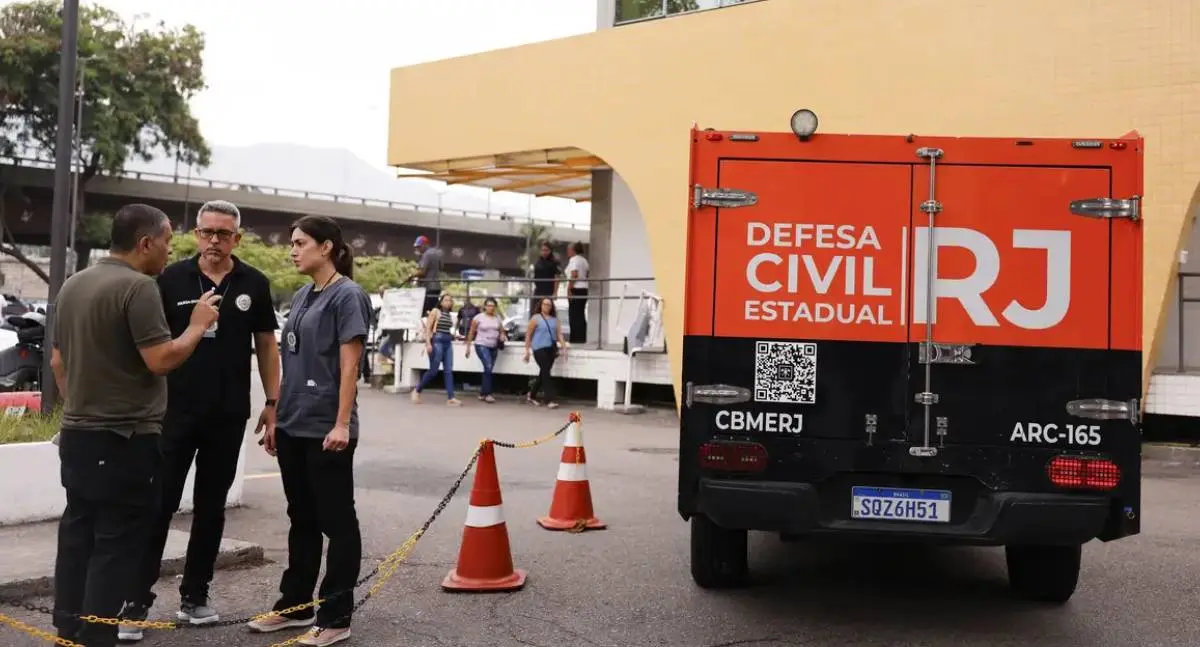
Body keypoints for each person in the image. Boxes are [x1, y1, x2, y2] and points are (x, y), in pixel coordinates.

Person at [49, 203, 220, 647]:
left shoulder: (73, 284)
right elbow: (161, 359)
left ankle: (67, 632)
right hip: (125, 438)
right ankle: (96, 638)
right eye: (166, 242)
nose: (169, 251)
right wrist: (197, 326)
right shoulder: (139, 287)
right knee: (116, 546)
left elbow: (57, 360)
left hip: (79, 435)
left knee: (78, 536)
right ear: (145, 243)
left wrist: (83, 406)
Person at [119, 200, 281, 641]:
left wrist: (272, 401)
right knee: (159, 505)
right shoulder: (168, 278)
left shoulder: (254, 283)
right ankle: (135, 601)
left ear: (237, 239)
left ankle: (196, 595)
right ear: (196, 234)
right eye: (207, 232)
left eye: (223, 234)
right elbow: (150, 344)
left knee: (211, 508)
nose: (214, 241)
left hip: (228, 415)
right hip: (172, 412)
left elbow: (267, 345)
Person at [247, 215, 371, 646]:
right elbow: (291, 360)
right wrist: (276, 413)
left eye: (300, 243)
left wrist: (341, 423)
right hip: (295, 423)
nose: (292, 250)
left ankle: (335, 617)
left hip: (327, 428)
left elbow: (349, 365)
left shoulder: (348, 295)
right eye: (292, 243)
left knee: (337, 522)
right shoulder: (302, 295)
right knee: (301, 518)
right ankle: (294, 607)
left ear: (327, 247)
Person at [411, 292, 462, 406]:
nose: (448, 302)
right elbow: (428, 329)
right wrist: (428, 344)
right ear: (441, 301)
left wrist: (453, 336)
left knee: (448, 370)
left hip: (447, 342)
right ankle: (417, 390)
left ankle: (451, 397)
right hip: (437, 341)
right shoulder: (435, 311)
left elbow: (445, 329)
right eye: (446, 300)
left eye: (450, 300)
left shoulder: (448, 314)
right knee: (433, 370)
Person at [524, 296, 566, 409]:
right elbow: (528, 335)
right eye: (545, 304)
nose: (547, 307)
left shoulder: (555, 320)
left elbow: (559, 335)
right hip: (538, 348)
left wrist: (564, 348)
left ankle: (531, 395)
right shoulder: (536, 318)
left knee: (544, 372)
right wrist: (527, 351)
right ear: (541, 305)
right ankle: (549, 399)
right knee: (546, 372)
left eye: (549, 305)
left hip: (550, 349)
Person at [465, 297, 506, 403]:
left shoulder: (497, 318)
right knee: (488, 366)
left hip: (493, 346)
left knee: (488, 369)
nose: (491, 308)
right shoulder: (478, 317)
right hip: (481, 344)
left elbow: (502, 330)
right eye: (488, 306)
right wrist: (468, 347)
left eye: (493, 306)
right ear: (485, 307)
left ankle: (483, 393)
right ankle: (488, 394)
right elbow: (471, 332)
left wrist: (502, 335)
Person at [564, 242, 590, 344]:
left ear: (573, 250)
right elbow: (587, 273)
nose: (567, 252)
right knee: (580, 315)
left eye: (569, 250)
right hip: (584, 289)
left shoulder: (574, 260)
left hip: (576, 289)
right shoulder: (584, 260)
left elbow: (574, 274)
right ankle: (582, 338)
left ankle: (575, 339)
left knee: (574, 316)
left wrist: (569, 289)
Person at [411, 234, 443, 316]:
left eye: (419, 246)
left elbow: (422, 272)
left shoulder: (426, 255)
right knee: (434, 310)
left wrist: (412, 275)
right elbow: (441, 267)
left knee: (424, 311)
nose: (418, 249)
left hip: (427, 287)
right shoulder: (437, 253)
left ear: (425, 245)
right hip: (437, 286)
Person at [529, 240, 560, 318]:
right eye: (542, 250)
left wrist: (555, 293)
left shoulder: (554, 263)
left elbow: (557, 278)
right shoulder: (538, 262)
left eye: (546, 250)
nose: (544, 252)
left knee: (548, 315)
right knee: (534, 314)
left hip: (548, 293)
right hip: (538, 292)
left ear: (550, 251)